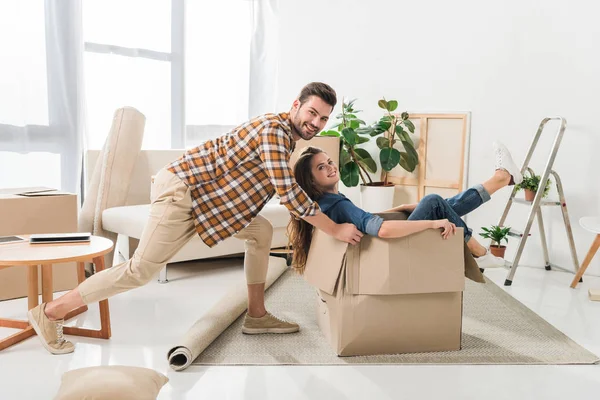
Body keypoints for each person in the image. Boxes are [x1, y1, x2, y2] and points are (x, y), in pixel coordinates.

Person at [27, 82, 365, 355]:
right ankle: (50, 313)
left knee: (260, 231)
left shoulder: (285, 136)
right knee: (139, 271)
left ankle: (257, 315)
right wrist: (334, 227)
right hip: (184, 193)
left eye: (323, 119)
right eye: (312, 113)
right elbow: (289, 194)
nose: (316, 123)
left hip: (208, 202)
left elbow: (272, 185)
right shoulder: (274, 131)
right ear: (296, 105)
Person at [287, 142, 523, 274]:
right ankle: (478, 251)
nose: (329, 167)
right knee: (433, 202)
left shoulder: (325, 203)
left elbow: (365, 220)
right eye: (320, 168)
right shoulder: (337, 204)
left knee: (437, 205)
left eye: (329, 162)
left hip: (384, 252)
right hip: (389, 254)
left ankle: (501, 179)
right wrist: (431, 222)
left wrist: (398, 209)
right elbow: (382, 231)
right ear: (311, 181)